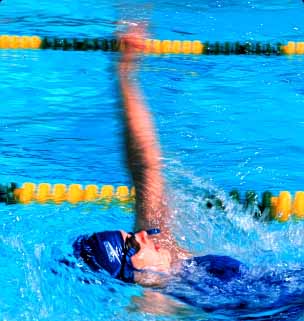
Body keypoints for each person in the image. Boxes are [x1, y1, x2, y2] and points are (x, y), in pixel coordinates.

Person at [73, 26, 244, 290]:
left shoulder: (162, 244)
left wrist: (125, 73)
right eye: (131, 244)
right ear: (130, 271)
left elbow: (146, 165)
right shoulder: (158, 300)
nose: (140, 234)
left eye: (130, 235)